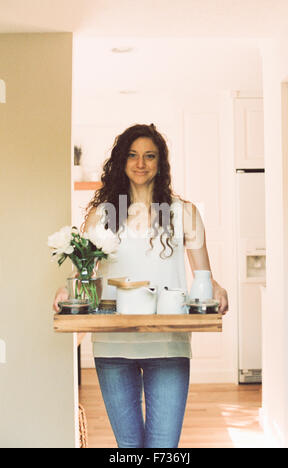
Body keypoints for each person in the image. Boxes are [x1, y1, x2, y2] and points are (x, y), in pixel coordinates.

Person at [53, 123, 229, 448]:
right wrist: (69, 290)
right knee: (129, 449)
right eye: (133, 155)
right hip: (113, 346)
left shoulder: (184, 213)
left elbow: (205, 277)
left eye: (150, 156)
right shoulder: (100, 215)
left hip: (168, 345)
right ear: (121, 161)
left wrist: (217, 290)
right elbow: (84, 273)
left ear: (160, 162)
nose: (141, 163)